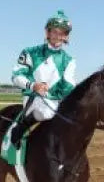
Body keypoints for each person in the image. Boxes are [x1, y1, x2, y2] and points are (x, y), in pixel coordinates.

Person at [7, 11, 77, 149]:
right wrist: (33, 86)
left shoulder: (69, 60)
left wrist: (53, 94)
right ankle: (21, 127)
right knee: (47, 112)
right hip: (33, 97)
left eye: (62, 33)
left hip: (55, 99)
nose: (58, 36)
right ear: (48, 32)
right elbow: (16, 76)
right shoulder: (30, 52)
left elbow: (68, 84)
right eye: (55, 32)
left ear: (66, 36)